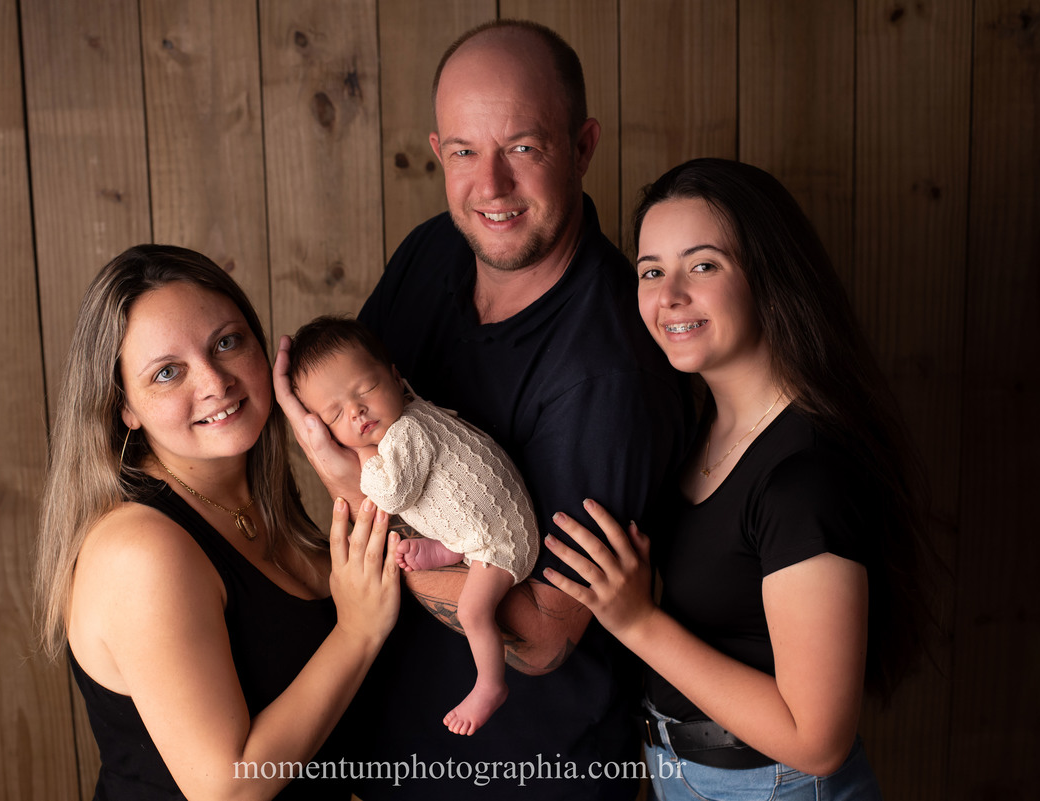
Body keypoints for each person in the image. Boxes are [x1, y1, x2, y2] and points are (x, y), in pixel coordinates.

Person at [274, 20, 691, 801]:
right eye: (464, 151)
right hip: (388, 752)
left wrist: (353, 493)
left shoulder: (607, 374)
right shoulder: (434, 249)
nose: (490, 186)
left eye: (523, 148)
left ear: (583, 146)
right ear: (438, 152)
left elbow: (538, 636)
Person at [543, 158, 930, 800]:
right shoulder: (701, 430)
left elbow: (819, 739)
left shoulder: (806, 476)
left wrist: (636, 622)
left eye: (703, 265)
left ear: (766, 276)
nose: (669, 296)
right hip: (682, 773)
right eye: (650, 272)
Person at [33, 245, 401, 800]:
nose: (213, 381)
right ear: (124, 407)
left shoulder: (266, 505)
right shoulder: (141, 551)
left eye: (227, 342)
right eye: (166, 373)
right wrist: (357, 632)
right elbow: (227, 789)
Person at [286, 314, 540, 736]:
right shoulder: (410, 414)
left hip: (502, 541)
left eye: (365, 389)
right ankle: (448, 549)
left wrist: (363, 455)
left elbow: (390, 496)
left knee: (473, 611)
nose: (356, 411)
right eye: (334, 413)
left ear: (394, 377)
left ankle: (491, 684)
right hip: (481, 523)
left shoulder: (407, 431)